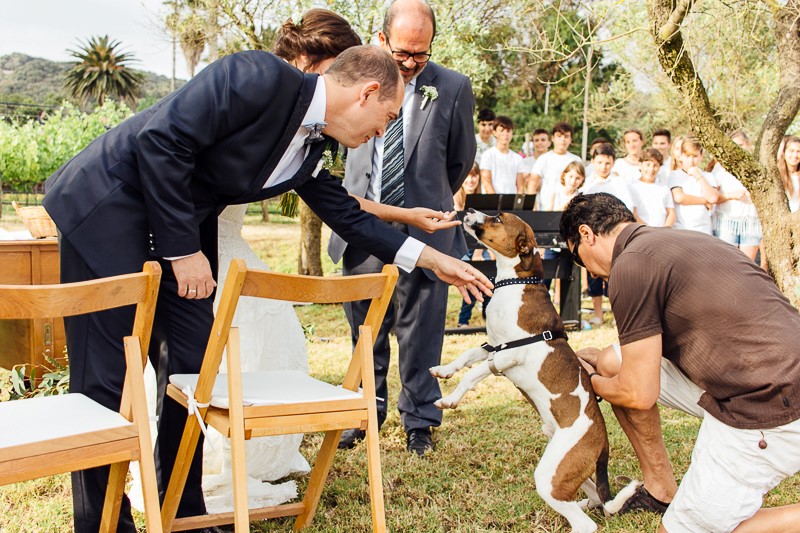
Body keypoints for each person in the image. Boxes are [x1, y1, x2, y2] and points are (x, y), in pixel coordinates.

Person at [43, 44, 491, 532]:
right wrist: (181, 250)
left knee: (194, 370)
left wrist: (431, 258)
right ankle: (102, 523)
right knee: (105, 379)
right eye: (385, 117)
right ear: (366, 93)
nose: (381, 133)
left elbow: (345, 215)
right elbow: (160, 141)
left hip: (182, 238)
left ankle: (182, 506)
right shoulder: (255, 74)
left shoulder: (314, 146)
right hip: (105, 212)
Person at [560, 192, 800, 533]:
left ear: (586, 235)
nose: (590, 272)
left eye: (579, 259)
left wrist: (590, 382)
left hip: (767, 404)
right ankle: (661, 490)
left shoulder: (628, 267)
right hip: (777, 371)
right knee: (612, 363)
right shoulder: (684, 239)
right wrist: (601, 364)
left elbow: (638, 393)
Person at [328, 0, 477, 457]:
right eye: (403, 53)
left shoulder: (452, 87)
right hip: (360, 225)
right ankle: (363, 415)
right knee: (364, 330)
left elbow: (460, 159)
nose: (411, 64)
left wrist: (424, 202)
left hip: (427, 229)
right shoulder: (353, 80)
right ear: (380, 39)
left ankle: (420, 422)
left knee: (422, 332)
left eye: (421, 54)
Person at [580, 143, 638, 325]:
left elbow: (627, 208)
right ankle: (598, 314)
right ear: (593, 162)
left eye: (607, 163)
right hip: (593, 236)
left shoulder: (620, 183)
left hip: (613, 236)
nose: (603, 166)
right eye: (599, 162)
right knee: (594, 274)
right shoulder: (587, 182)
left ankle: (618, 315)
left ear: (613, 163)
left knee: (617, 275)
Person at [711, 130, 762, 262]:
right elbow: (713, 198)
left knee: (748, 264)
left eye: (741, 145)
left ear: (748, 145)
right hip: (727, 222)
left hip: (750, 222)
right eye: (734, 145)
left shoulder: (756, 167)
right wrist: (731, 195)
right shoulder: (720, 168)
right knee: (727, 263)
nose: (737, 149)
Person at [454, 162, 492, 327]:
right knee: (470, 273)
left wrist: (481, 252)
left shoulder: (482, 201)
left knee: (492, 272)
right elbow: (462, 227)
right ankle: (464, 320)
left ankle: (488, 315)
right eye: (468, 176)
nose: (471, 180)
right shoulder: (455, 195)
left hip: (478, 247)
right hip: (459, 247)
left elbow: (484, 230)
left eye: (474, 176)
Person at [668, 137, 719, 235]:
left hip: (704, 230)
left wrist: (698, 176)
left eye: (695, 156)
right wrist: (704, 201)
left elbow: (713, 198)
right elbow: (679, 197)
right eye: (688, 156)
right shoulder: (675, 175)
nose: (691, 161)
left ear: (701, 156)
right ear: (681, 156)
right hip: (682, 229)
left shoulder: (708, 176)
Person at [528, 121, 582, 207]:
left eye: (566, 136)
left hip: (570, 209)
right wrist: (533, 207)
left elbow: (581, 186)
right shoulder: (543, 159)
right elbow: (532, 184)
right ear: (553, 138)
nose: (563, 139)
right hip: (546, 209)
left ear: (570, 139)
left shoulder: (576, 160)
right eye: (559, 136)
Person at [479, 115, 525, 194]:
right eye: (502, 130)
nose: (505, 134)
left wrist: (517, 204)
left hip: (511, 203)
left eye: (508, 131)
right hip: (492, 203)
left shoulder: (518, 158)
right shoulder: (487, 156)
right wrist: (496, 203)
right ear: (494, 132)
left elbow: (520, 186)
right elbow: (487, 183)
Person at [633, 148, 675, 227]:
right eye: (648, 165)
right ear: (640, 165)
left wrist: (665, 228)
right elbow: (633, 213)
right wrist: (647, 230)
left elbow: (671, 212)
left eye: (655, 165)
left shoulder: (664, 188)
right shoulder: (633, 187)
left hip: (661, 232)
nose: (651, 169)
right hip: (641, 231)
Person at [778, 136, 800, 212]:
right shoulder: (777, 175)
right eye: (791, 151)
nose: (795, 155)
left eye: (798, 151)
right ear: (784, 153)